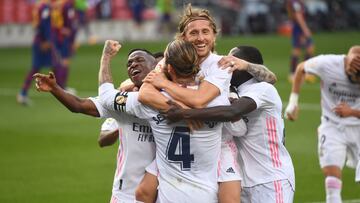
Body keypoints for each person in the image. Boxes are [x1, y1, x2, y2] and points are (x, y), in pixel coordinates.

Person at [97, 39, 247, 203]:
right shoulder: (216, 102)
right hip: (205, 197)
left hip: (169, 197)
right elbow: (238, 127)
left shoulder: (150, 103)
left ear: (168, 68)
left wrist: (105, 57)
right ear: (196, 64)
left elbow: (105, 97)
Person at [163, 45, 295, 203]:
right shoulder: (231, 91)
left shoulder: (263, 89)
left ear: (244, 65)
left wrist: (184, 114)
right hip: (243, 181)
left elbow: (232, 112)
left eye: (231, 61)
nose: (224, 65)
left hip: (271, 178)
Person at [33, 41, 158, 203]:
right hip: (127, 193)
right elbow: (79, 105)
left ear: (156, 65)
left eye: (139, 60)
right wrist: (55, 88)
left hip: (165, 192)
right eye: (129, 63)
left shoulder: (172, 98)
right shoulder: (123, 102)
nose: (133, 64)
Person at [284, 45, 360, 203]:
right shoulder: (328, 64)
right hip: (332, 126)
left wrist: (352, 112)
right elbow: (301, 68)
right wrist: (293, 102)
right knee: (332, 181)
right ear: (348, 66)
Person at [17, 0, 62, 105]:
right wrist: (46, 40)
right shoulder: (45, 8)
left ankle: (61, 91)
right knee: (40, 67)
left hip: (41, 41)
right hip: (42, 43)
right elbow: (43, 25)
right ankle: (22, 93)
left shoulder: (41, 6)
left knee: (54, 65)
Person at [286, 0, 316, 83]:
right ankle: (295, 74)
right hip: (298, 28)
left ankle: (302, 73)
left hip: (298, 28)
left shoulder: (296, 2)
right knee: (298, 50)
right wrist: (305, 29)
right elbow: (298, 15)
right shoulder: (295, 3)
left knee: (307, 49)